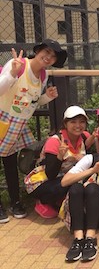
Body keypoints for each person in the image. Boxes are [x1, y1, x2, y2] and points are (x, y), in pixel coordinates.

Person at [0, 40, 66, 222]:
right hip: (2, 118)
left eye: (53, 56)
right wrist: (13, 73)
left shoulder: (42, 75)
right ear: (37, 51)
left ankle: (15, 202)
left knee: (10, 162)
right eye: (47, 52)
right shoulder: (20, 65)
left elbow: (31, 102)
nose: (49, 57)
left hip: (18, 124)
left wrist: (47, 97)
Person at [29, 106, 90, 219]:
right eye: (73, 122)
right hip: (44, 181)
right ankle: (43, 201)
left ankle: (61, 201)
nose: (78, 125)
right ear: (65, 124)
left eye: (82, 122)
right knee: (69, 184)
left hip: (67, 176)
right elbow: (50, 174)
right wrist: (60, 157)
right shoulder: (55, 141)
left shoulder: (84, 136)